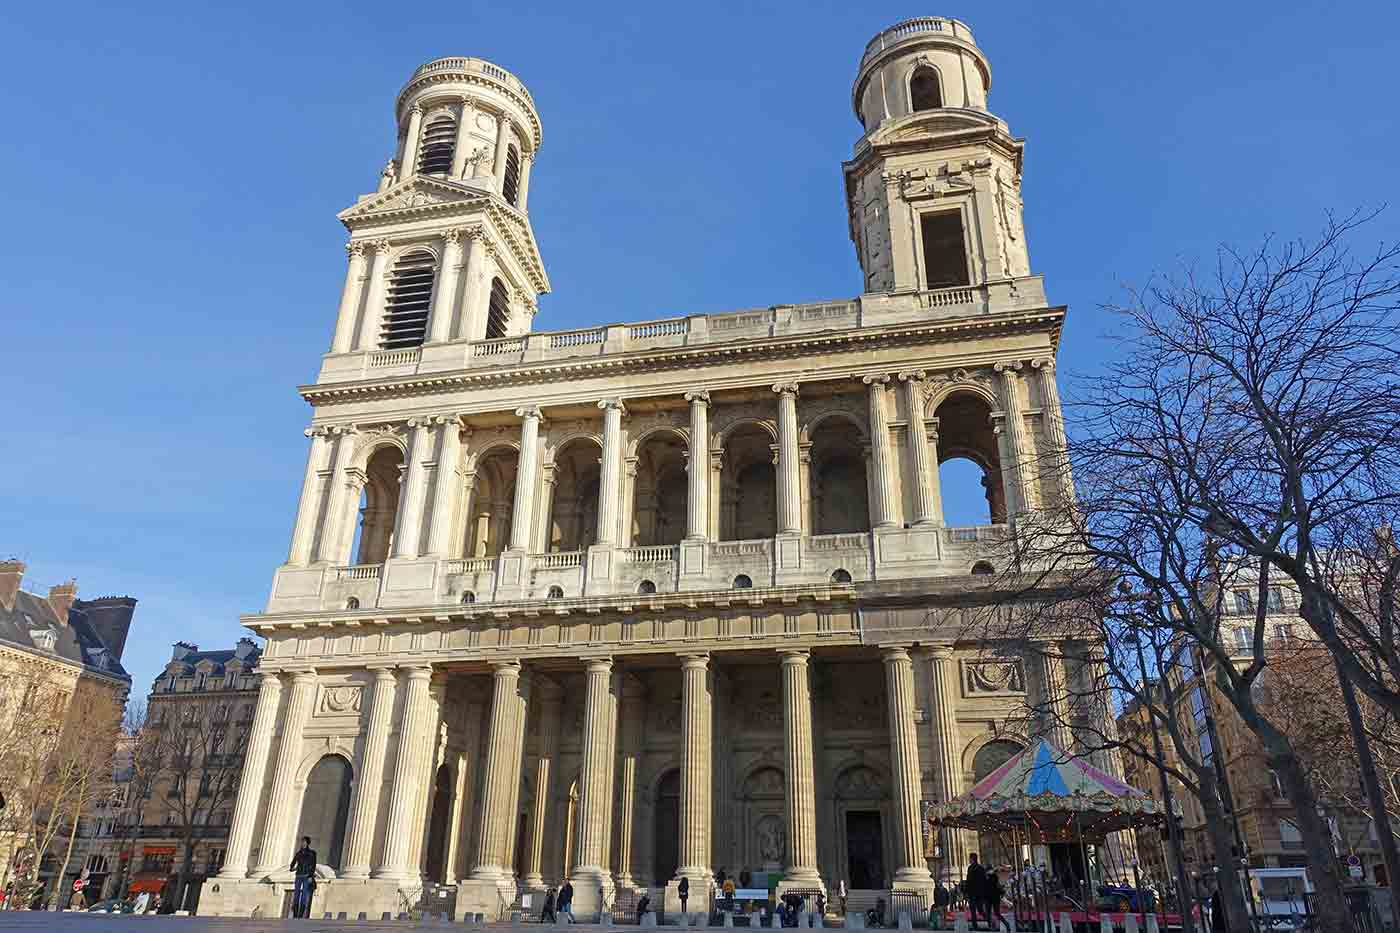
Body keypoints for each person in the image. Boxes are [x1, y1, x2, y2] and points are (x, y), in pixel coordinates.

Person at [291, 836, 318, 919]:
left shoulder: (312, 853)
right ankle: (295, 914)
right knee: (296, 894)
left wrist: (310, 876)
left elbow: (313, 865)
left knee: (304, 895)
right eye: (302, 842)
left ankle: (301, 914)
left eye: (304, 842)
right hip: (298, 875)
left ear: (307, 843)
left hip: (306, 876)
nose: (302, 843)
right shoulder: (298, 853)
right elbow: (292, 863)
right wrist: (292, 868)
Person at [965, 853, 989, 930]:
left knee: (973, 911)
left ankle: (975, 926)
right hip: (979, 893)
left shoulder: (970, 868)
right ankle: (989, 920)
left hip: (973, 893)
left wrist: (967, 893)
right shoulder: (981, 868)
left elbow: (968, 882)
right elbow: (985, 881)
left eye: (970, 858)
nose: (969, 860)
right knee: (980, 910)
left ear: (972, 859)